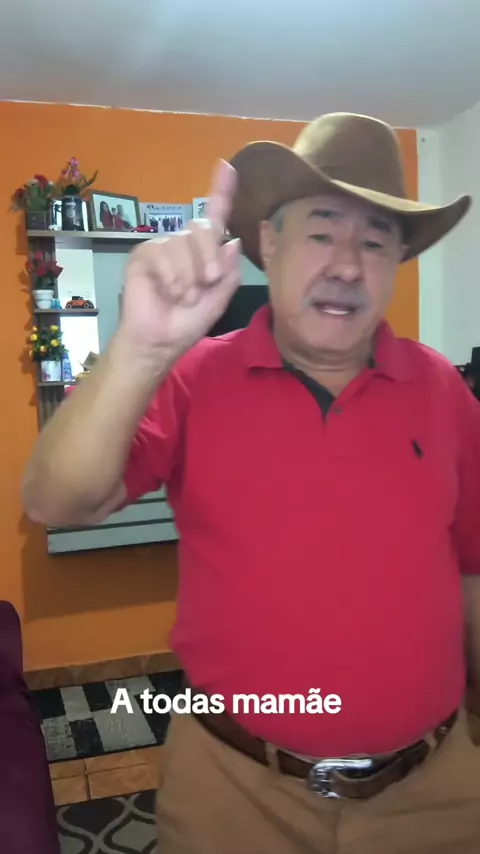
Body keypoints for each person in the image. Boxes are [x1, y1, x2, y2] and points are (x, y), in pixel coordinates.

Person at [21, 113, 480, 853]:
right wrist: (142, 346)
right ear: (270, 242)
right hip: (235, 793)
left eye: (374, 242)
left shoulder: (443, 390)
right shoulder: (194, 376)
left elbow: (471, 565)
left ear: (398, 260)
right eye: (322, 232)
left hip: (434, 794)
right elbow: (56, 502)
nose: (347, 265)